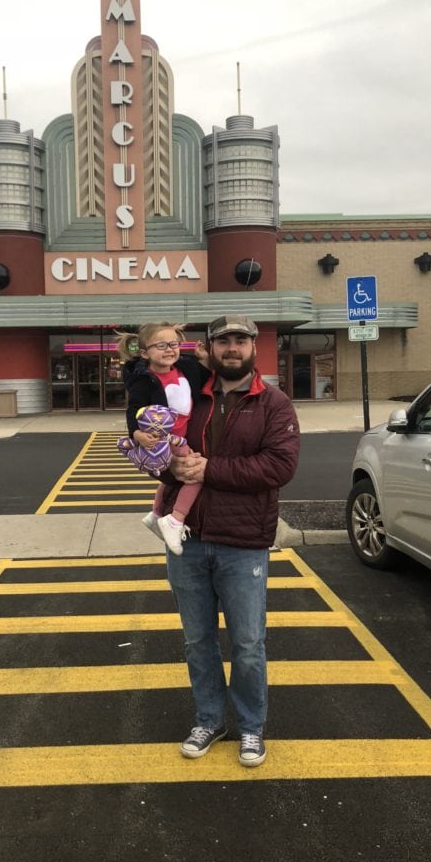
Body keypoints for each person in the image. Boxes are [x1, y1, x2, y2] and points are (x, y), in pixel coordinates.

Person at [158, 314, 300, 768]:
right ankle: (209, 719)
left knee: (247, 643)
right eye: (224, 342)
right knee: (198, 641)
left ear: (254, 347)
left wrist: (209, 471)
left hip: (244, 543)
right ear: (210, 348)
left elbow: (278, 467)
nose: (232, 348)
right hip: (189, 540)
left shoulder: (274, 404)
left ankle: (251, 727)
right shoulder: (188, 398)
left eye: (240, 340)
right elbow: (163, 447)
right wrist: (170, 469)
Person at [117, 323, 209, 555]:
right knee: (196, 473)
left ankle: (156, 514)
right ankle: (175, 520)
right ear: (145, 352)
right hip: (163, 438)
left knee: (173, 479)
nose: (169, 350)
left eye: (173, 344)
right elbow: (133, 410)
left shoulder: (187, 367)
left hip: (183, 436)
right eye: (161, 345)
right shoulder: (143, 379)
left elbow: (210, 379)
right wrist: (136, 434)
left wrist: (205, 359)